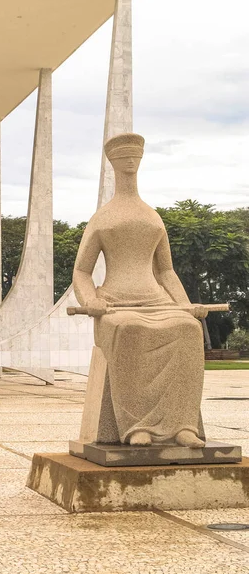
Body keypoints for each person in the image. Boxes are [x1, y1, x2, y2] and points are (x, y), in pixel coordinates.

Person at [73, 133, 207, 448]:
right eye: (123, 157)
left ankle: (183, 425)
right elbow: (81, 271)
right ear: (113, 162)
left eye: (135, 156)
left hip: (156, 301)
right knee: (130, 330)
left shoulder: (152, 216)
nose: (130, 162)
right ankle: (137, 426)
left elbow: (166, 271)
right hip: (116, 305)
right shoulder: (102, 218)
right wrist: (91, 300)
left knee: (188, 329)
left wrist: (186, 306)